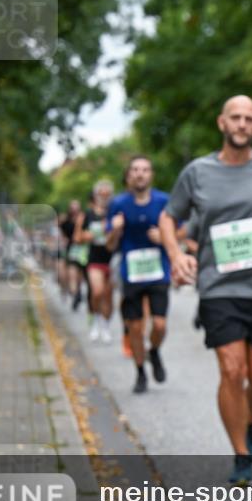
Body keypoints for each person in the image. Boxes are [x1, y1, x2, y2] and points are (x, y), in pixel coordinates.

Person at [160, 95, 252, 484]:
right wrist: (176, 253)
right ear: (221, 123)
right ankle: (241, 455)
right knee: (231, 370)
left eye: (249, 119)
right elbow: (168, 216)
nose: (242, 124)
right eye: (235, 118)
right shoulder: (197, 172)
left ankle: (250, 417)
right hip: (218, 286)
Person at [106, 155, 173, 394]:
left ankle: (153, 351)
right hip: (131, 273)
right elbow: (109, 245)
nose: (140, 174)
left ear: (151, 174)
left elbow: (183, 231)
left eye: (145, 169)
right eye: (135, 169)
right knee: (134, 328)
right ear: (129, 175)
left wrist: (164, 237)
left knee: (160, 324)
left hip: (158, 272)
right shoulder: (118, 204)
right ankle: (140, 372)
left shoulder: (164, 201)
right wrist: (115, 231)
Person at [75, 181, 116, 342]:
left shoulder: (115, 213)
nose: (104, 197)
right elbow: (77, 238)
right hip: (94, 259)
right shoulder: (87, 215)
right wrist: (92, 235)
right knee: (97, 291)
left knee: (108, 296)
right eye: (101, 194)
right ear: (96, 195)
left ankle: (105, 325)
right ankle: (95, 320)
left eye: (107, 194)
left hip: (112, 259)